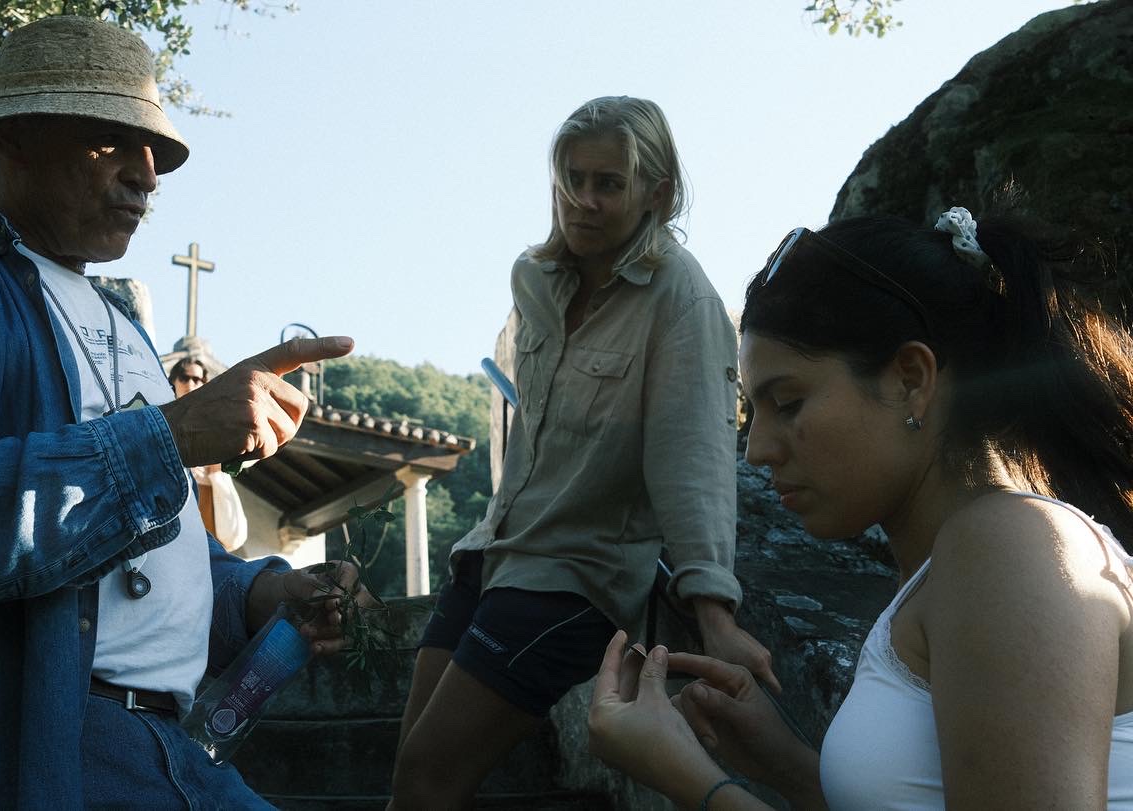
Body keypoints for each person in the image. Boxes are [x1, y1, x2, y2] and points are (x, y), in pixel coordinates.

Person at [0, 16, 360, 809]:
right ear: (15, 137)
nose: (147, 176)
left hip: (176, 749)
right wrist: (174, 432)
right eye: (111, 140)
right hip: (21, 752)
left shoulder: (125, 328)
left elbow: (155, 566)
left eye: (156, 154)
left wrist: (258, 595)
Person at [587, 208, 1133, 809]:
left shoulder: (1014, 545)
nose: (759, 449)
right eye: (752, 412)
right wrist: (794, 769)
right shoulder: (950, 569)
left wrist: (696, 783)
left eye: (788, 402)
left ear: (910, 379)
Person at [389, 96, 776, 808]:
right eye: (572, 180)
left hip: (575, 576)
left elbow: (693, 459)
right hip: (493, 555)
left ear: (656, 194)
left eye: (608, 183)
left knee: (428, 777)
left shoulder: (680, 299)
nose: (584, 200)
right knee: (412, 773)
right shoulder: (538, 281)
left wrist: (715, 612)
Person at [170, 357, 250, 553]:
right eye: (184, 377)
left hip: (207, 498)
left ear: (204, 383)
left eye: (196, 379)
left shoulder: (216, 420)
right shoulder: (162, 416)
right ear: (173, 381)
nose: (190, 383)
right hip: (173, 496)